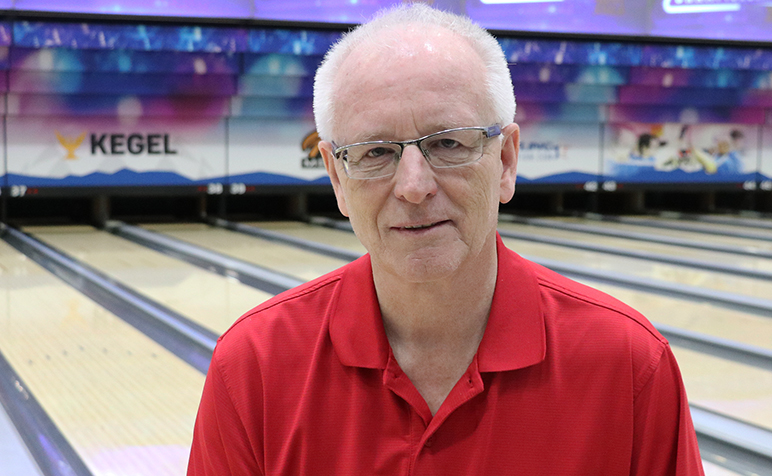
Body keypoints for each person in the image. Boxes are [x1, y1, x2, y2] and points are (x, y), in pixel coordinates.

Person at [188, 4, 704, 475]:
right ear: (336, 177)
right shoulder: (253, 367)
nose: (414, 187)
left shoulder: (630, 365)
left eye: (448, 143)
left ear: (506, 161)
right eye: (375, 152)